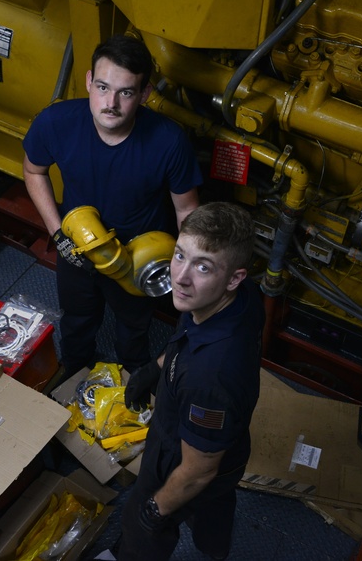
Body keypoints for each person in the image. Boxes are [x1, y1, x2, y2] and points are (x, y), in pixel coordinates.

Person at [22, 34, 201, 376]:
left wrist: (186, 267)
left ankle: (135, 374)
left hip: (139, 256)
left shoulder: (169, 140)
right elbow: (33, 170)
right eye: (102, 87)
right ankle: (74, 369)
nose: (111, 103)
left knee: (134, 327)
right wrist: (57, 233)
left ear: (145, 94)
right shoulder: (55, 122)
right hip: (76, 246)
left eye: (126, 92)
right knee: (76, 319)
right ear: (89, 81)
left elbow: (187, 210)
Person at [118, 202, 264, 561]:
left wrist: (155, 509)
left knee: (143, 524)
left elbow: (198, 471)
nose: (181, 277)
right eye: (180, 255)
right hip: (228, 451)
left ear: (234, 278)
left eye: (203, 266)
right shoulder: (234, 300)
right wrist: (156, 368)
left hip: (183, 454)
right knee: (215, 504)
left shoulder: (210, 378)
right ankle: (213, 548)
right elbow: (191, 339)